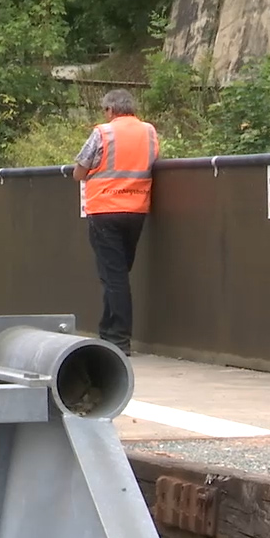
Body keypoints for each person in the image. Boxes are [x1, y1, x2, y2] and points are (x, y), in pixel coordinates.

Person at [72, 89, 159, 356]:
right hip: (136, 209)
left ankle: (118, 339)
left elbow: (79, 171)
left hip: (105, 210)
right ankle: (108, 331)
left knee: (114, 278)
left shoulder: (103, 132)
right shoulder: (149, 132)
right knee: (118, 274)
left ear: (110, 110)